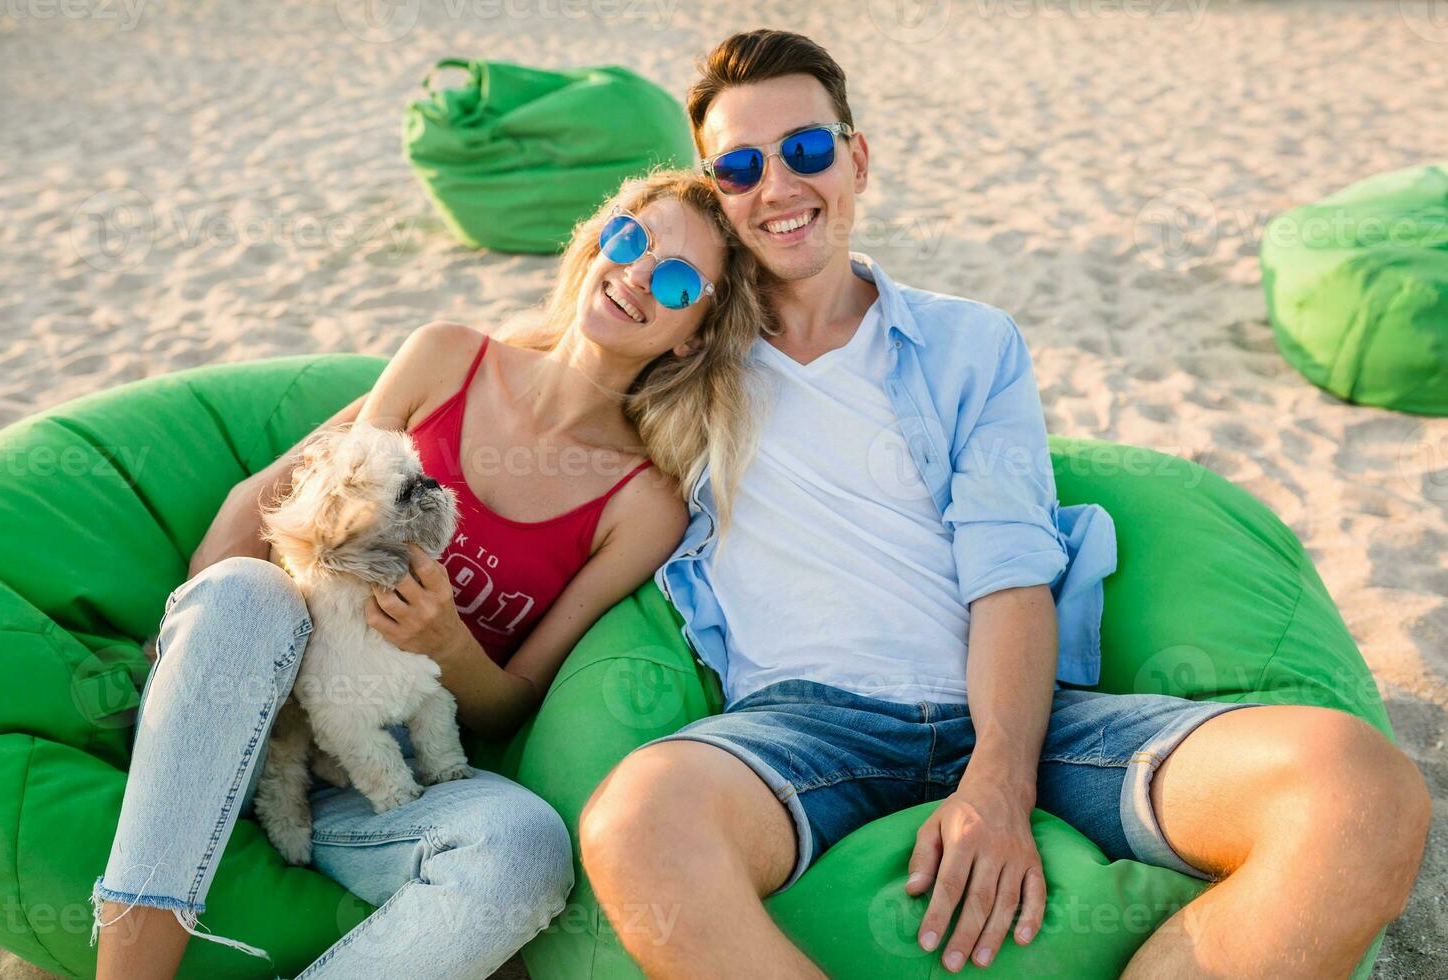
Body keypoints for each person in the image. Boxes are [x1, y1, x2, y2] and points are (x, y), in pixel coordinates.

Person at [578, 30, 1431, 979]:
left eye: (807, 150)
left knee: (1363, 791)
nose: (778, 186)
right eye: (739, 167)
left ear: (856, 158)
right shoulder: (678, 355)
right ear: (716, 191)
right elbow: (532, 388)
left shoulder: (966, 343)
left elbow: (1011, 569)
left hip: (1031, 716)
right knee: (634, 822)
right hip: (802, 731)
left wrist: (998, 781)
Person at [91, 170, 769, 980]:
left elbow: (513, 702)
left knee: (525, 849)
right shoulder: (447, 357)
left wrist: (447, 640)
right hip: (250, 703)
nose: (636, 274)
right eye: (630, 239)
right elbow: (294, 510)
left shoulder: (643, 503)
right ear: (598, 241)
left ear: (693, 334)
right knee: (246, 591)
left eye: (677, 280)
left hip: (376, 781)